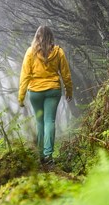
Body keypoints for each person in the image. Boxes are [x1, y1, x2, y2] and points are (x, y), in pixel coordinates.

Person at [18, 25, 73, 165]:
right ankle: (49, 155)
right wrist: (69, 90)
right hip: (53, 91)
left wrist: (21, 96)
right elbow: (66, 74)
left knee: (40, 122)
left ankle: (41, 154)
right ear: (51, 36)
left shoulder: (30, 52)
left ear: (36, 36)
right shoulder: (58, 52)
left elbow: (25, 75)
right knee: (50, 121)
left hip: (35, 92)